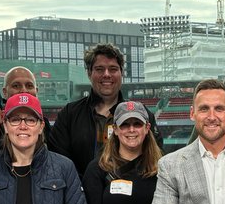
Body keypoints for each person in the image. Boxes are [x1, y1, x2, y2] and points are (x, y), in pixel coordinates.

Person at [51, 43, 158, 178]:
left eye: (113, 69)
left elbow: (154, 158)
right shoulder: (69, 115)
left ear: (121, 73)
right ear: (89, 73)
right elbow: (58, 161)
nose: (106, 74)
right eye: (100, 69)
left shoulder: (143, 115)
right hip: (79, 194)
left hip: (128, 194)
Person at [82, 100, 162, 204]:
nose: (131, 130)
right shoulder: (97, 169)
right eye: (124, 124)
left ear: (147, 127)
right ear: (116, 129)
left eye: (137, 124)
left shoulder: (163, 169)